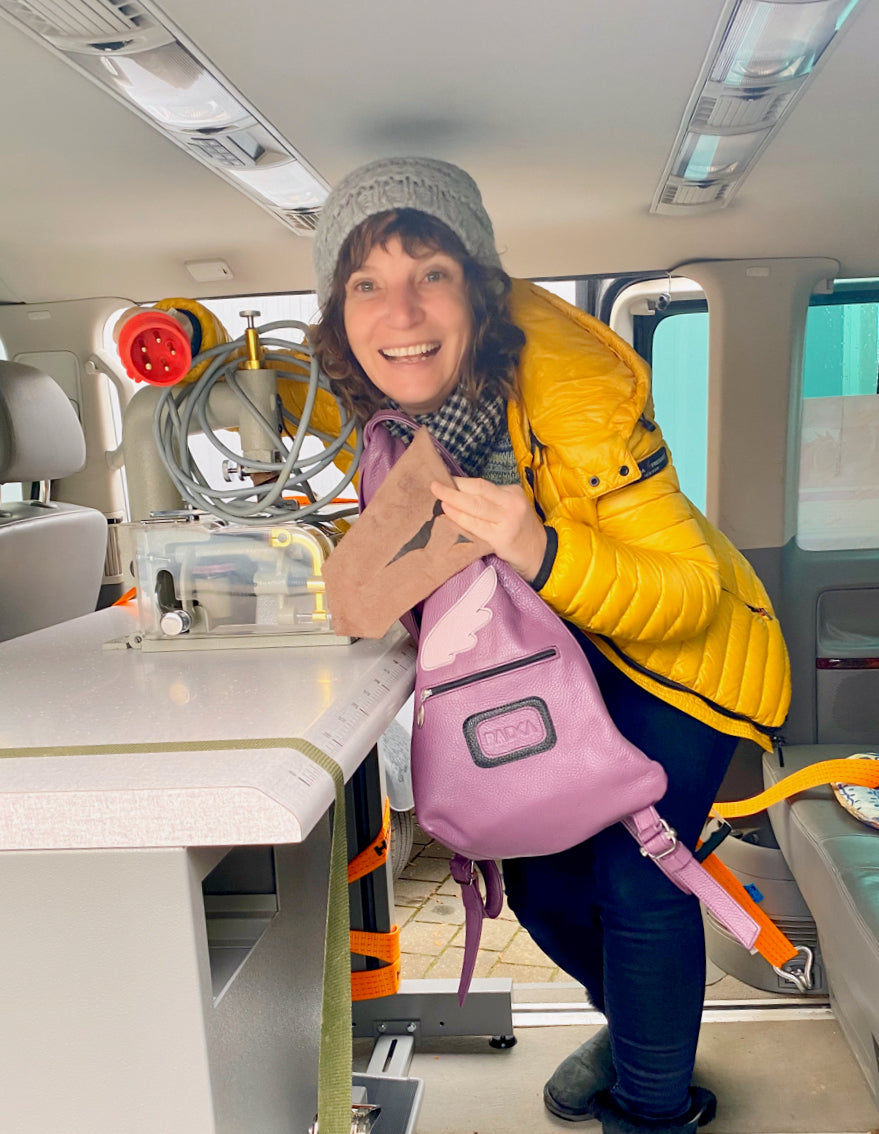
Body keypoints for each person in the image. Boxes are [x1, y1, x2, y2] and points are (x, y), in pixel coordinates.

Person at [310, 156, 791, 1134]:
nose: (398, 312)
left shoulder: (571, 382)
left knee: (634, 870)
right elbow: (383, 569)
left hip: (673, 659)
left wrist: (537, 546)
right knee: (527, 863)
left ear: (478, 286)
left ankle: (654, 1110)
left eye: (429, 272)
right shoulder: (384, 400)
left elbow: (689, 592)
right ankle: (635, 1030)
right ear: (338, 306)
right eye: (366, 282)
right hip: (546, 654)